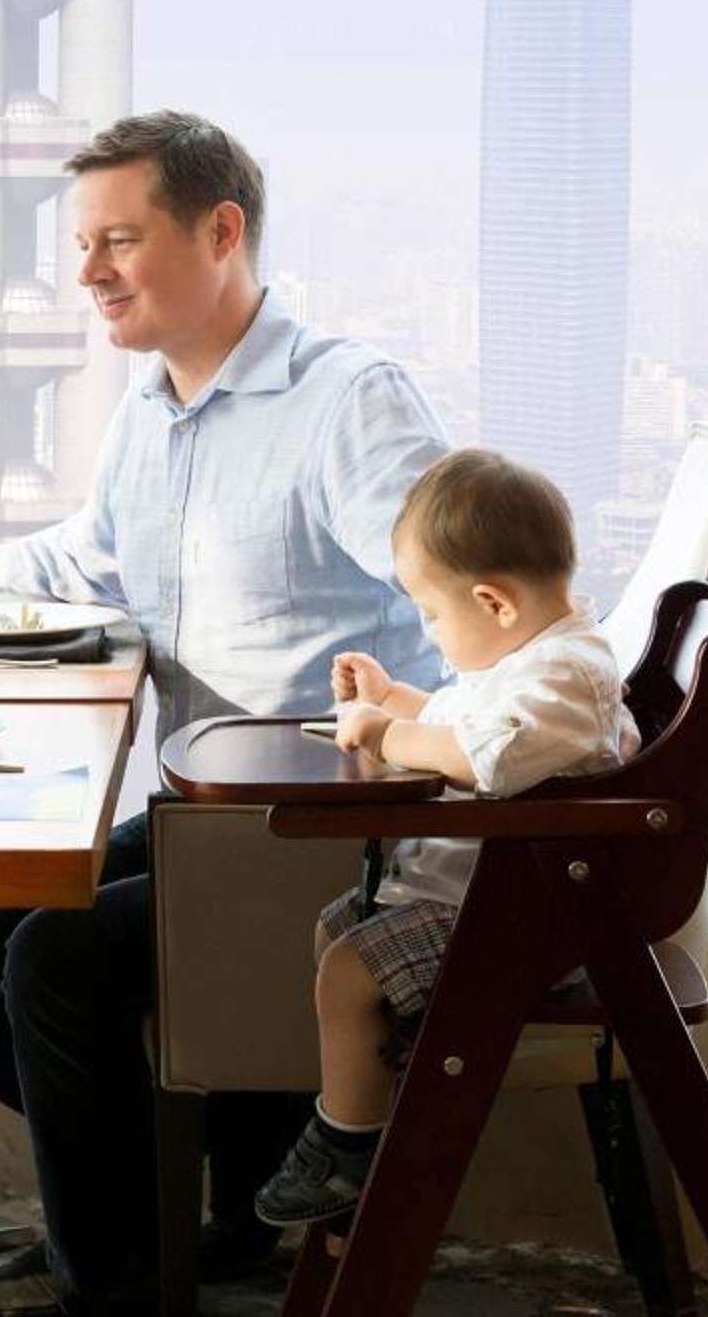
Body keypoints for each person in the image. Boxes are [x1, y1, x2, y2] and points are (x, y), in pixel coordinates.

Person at [0, 111, 450, 1317]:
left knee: (54, 961)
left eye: (118, 239)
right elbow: (87, 559)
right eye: (80, 243)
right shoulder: (152, 408)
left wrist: (466, 744)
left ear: (222, 230)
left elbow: (459, 590)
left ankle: (113, 1287)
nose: (88, 271)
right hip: (212, 823)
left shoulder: (344, 400)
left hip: (330, 836)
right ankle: (155, 1232)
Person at [255, 448, 636, 1225]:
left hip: (525, 919)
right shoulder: (533, 662)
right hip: (483, 897)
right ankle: (364, 1099)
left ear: (494, 603)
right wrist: (395, 698)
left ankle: (348, 1145)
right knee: (336, 934)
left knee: (351, 968)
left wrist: (385, 735)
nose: (430, 631)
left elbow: (487, 755)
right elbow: (470, 720)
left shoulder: (566, 677)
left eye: (432, 614)